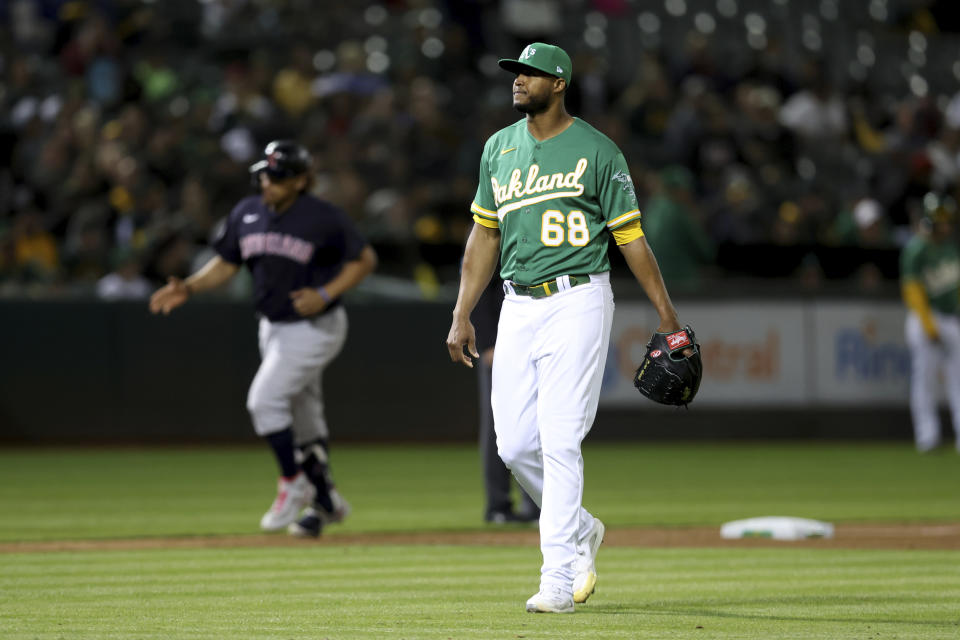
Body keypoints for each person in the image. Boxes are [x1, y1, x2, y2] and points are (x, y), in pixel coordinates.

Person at [445, 43, 691, 613]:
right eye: (515, 73)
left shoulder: (598, 151)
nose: (518, 80)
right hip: (517, 305)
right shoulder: (497, 149)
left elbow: (630, 236)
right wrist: (461, 312)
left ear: (558, 84)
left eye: (530, 74)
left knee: (559, 440)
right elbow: (485, 236)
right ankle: (581, 528)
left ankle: (558, 577)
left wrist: (667, 315)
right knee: (515, 445)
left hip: (578, 298)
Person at [150, 140, 377, 536]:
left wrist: (325, 293)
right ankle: (326, 503)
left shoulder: (322, 217)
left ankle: (294, 482)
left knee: (265, 401)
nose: (268, 181)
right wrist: (189, 287)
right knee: (305, 416)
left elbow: (365, 260)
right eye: (265, 174)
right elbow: (226, 262)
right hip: (272, 326)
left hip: (315, 327)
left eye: (279, 175)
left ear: (302, 180)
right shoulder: (247, 211)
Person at [472, 276, 540, 524]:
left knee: (540, 423)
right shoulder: (491, 235)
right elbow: (474, 281)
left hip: (540, 337)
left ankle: (538, 506)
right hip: (502, 341)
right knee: (497, 427)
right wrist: (487, 341)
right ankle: (498, 506)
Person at [900, 192, 960, 453]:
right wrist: (928, 324)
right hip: (926, 318)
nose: (946, 225)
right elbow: (912, 291)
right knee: (925, 379)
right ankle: (928, 436)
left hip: (950, 318)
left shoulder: (951, 247)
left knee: (958, 377)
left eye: (948, 220)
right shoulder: (916, 250)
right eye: (941, 220)